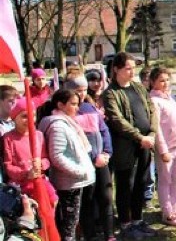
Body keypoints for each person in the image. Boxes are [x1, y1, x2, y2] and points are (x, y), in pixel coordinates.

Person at [102, 52, 158, 239]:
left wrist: (151, 133)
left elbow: (151, 109)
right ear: (116, 69)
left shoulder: (138, 87)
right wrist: (139, 137)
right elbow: (118, 120)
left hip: (145, 143)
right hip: (126, 146)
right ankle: (125, 223)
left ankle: (137, 219)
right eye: (128, 68)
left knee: (142, 182)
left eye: (134, 68)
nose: (132, 71)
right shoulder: (111, 93)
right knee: (126, 183)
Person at [39, 89, 96, 241]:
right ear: (60, 105)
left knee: (73, 221)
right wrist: (79, 171)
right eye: (73, 104)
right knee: (68, 225)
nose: (77, 108)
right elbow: (57, 156)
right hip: (69, 183)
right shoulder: (58, 126)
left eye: (78, 104)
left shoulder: (68, 123)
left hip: (75, 181)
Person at [67, 74, 114, 241]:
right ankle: (90, 234)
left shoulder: (89, 107)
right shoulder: (67, 112)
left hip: (102, 161)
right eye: (77, 91)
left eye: (84, 90)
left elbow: (103, 131)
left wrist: (106, 152)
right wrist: (94, 157)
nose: (81, 94)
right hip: (85, 163)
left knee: (106, 197)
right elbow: (77, 141)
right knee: (87, 200)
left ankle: (109, 234)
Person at [149, 67, 176, 227]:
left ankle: (175, 207)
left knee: (175, 178)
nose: (165, 83)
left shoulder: (169, 98)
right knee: (165, 179)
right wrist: (163, 150)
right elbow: (157, 128)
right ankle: (167, 211)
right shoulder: (154, 100)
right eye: (161, 81)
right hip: (166, 147)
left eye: (167, 80)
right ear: (153, 82)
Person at [4, 98, 57, 203]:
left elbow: (46, 158)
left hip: (39, 180)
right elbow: (8, 165)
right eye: (24, 116)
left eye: (32, 116)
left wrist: (41, 164)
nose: (29, 120)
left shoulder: (39, 135)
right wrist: (26, 173)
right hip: (20, 183)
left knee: (53, 200)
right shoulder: (8, 138)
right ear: (14, 118)